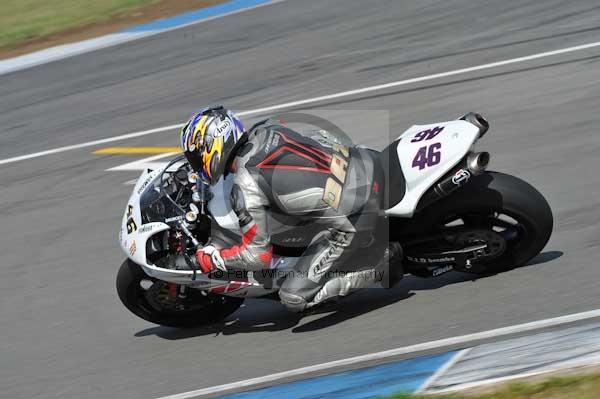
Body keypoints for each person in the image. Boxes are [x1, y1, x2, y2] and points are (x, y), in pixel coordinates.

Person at [180, 106, 402, 312]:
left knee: (293, 296)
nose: (195, 164)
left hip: (356, 216)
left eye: (195, 157)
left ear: (211, 148)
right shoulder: (267, 129)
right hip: (364, 161)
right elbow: (319, 138)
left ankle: (381, 266)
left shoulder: (245, 186)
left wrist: (214, 258)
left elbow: (258, 257)